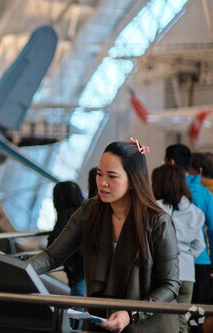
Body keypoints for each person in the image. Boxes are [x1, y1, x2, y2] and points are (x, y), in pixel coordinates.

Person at [30, 139, 180, 333]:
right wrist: (20, 270)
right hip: (100, 319)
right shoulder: (89, 210)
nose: (102, 183)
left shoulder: (158, 221)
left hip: (146, 325)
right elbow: (53, 256)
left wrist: (131, 313)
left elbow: (170, 285)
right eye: (99, 174)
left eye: (112, 176)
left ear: (133, 180)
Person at [152, 164, 205, 333]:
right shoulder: (196, 212)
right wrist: (186, 258)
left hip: (163, 272)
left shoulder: (154, 208)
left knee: (159, 319)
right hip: (188, 274)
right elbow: (200, 245)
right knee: (182, 319)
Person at [165, 143, 213, 314]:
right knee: (196, 317)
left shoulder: (165, 190)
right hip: (201, 262)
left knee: (172, 317)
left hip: (171, 263)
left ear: (170, 162)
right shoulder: (204, 193)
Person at [48, 181, 86, 297]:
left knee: (79, 311)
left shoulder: (67, 215)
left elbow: (54, 244)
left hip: (81, 275)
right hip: (91, 272)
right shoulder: (85, 211)